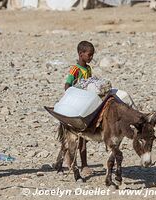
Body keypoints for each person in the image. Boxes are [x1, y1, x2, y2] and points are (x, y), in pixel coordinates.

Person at [62, 40, 95, 174]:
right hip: (76, 104)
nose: (91, 58)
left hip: (85, 104)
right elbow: (67, 85)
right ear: (81, 54)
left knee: (84, 139)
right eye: (89, 55)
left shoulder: (88, 69)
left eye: (92, 55)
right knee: (74, 137)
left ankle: (85, 165)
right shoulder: (75, 69)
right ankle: (70, 161)